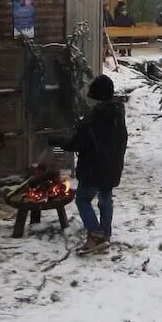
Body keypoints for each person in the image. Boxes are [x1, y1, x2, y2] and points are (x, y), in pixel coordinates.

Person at [50, 75, 128, 255]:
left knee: (83, 199)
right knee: (105, 197)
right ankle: (105, 234)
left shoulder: (94, 119)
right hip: (112, 166)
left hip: (94, 168)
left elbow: (77, 143)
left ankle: (96, 235)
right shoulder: (118, 112)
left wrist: (57, 141)